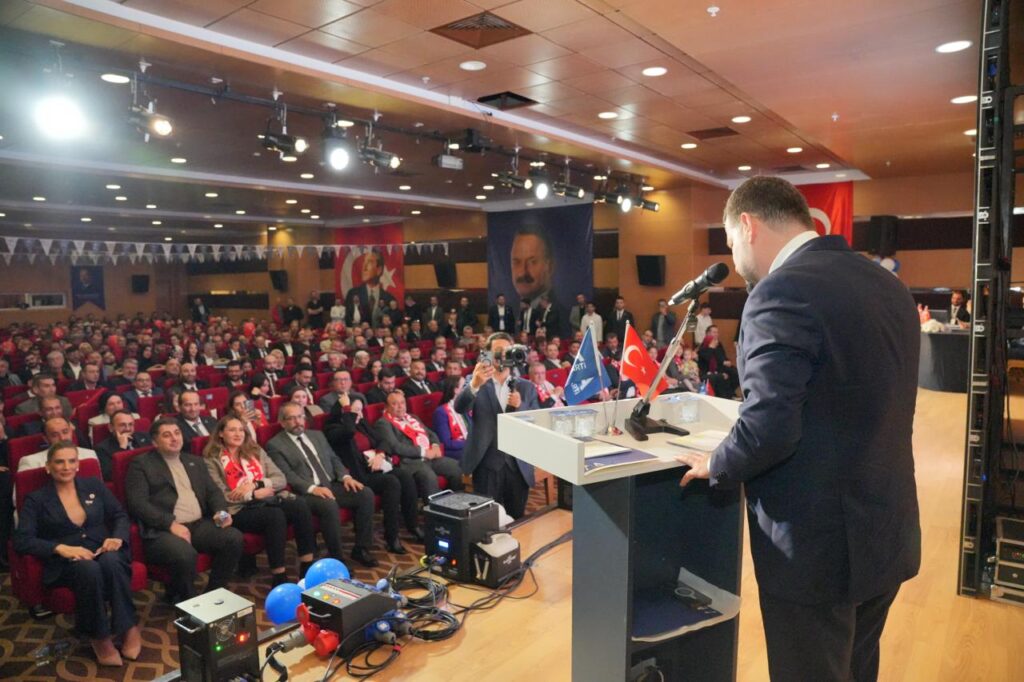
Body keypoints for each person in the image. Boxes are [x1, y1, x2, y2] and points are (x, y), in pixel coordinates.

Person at [674, 176, 921, 682]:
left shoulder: (779, 291)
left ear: (748, 225)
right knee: (857, 669)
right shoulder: (886, 283)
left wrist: (717, 461)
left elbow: (769, 425)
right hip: (885, 529)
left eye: (731, 242)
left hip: (817, 550)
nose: (735, 258)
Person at [14, 442, 142, 666]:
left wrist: (117, 537)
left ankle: (128, 627)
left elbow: (120, 515)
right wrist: (61, 548)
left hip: (103, 549)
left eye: (71, 461)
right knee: (88, 569)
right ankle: (99, 636)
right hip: (66, 562)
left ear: (78, 464)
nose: (66, 467)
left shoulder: (93, 485)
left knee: (112, 561)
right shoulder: (37, 499)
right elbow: (22, 540)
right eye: (59, 462)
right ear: (48, 467)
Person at [125, 418, 244, 602]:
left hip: (198, 525)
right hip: (162, 530)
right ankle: (190, 603)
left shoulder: (194, 461)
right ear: (155, 442)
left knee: (233, 538)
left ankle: (213, 594)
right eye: (167, 435)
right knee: (185, 554)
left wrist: (221, 512)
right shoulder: (141, 464)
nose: (174, 438)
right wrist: (170, 524)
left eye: (177, 433)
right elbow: (137, 503)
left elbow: (213, 492)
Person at [203, 417, 317, 586]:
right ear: (220, 433)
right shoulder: (211, 459)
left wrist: (257, 484)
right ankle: (279, 575)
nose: (238, 434)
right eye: (232, 430)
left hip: (266, 498)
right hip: (237, 509)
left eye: (241, 430)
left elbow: (280, 479)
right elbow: (219, 494)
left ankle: (307, 567)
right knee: (274, 516)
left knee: (299, 504)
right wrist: (253, 495)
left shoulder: (255, 451)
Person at [265, 402, 379, 567]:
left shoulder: (317, 435)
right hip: (305, 493)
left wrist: (346, 477)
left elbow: (334, 459)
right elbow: (287, 475)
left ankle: (361, 549)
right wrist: (313, 489)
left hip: (330, 484)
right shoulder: (275, 445)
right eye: (292, 418)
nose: (298, 422)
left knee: (365, 494)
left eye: (300, 417)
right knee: (329, 505)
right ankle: (337, 559)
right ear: (282, 422)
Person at [454, 332, 540, 519]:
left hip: (518, 465)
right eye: (498, 351)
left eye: (507, 350)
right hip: (486, 464)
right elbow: (459, 407)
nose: (502, 355)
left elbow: (536, 422)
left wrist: (520, 406)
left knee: (517, 519)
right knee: (487, 521)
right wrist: (474, 385)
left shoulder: (526, 387)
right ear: (488, 354)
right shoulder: (476, 380)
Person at [324, 398, 420, 552]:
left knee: (405, 475)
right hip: (358, 475)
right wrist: (348, 409)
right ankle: (392, 536)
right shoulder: (333, 429)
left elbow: (383, 441)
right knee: (391, 482)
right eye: (356, 411)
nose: (360, 415)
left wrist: (380, 455)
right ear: (344, 412)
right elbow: (348, 432)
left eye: (361, 410)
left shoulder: (361, 424)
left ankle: (412, 525)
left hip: (375, 466)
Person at [373, 391, 463, 502]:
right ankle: (435, 510)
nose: (400, 406)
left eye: (402, 403)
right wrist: (423, 452)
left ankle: (458, 503)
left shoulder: (412, 417)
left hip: (430, 457)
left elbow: (431, 434)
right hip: (411, 462)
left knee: (456, 468)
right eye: (395, 404)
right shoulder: (383, 423)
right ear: (387, 407)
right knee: (429, 477)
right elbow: (395, 446)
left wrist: (435, 446)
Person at [19, 416, 100, 473]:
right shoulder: (31, 463)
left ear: (71, 432)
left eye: (65, 432)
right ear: (46, 438)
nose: (62, 438)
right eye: (55, 435)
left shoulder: (89, 454)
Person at [95, 410, 153, 481]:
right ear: (111, 427)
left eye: (130, 424)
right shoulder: (102, 448)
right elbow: (110, 475)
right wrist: (122, 448)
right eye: (122, 425)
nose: (127, 429)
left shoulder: (146, 437)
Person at [345, 250, 396, 326]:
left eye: (369, 262)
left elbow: (392, 322)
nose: (364, 267)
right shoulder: (352, 294)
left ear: (379, 270)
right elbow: (347, 318)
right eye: (364, 262)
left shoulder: (389, 298)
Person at [511, 225, 554, 306]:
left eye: (532, 262)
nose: (522, 272)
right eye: (517, 262)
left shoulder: (559, 311)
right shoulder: (510, 308)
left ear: (549, 267)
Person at [432, 376, 469, 462]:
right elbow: (446, 443)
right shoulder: (441, 412)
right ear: (456, 390)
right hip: (454, 450)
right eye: (465, 386)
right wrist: (469, 442)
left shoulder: (466, 405)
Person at [697, 326, 739, 398]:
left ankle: (730, 393)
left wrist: (727, 361)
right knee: (722, 376)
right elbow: (707, 360)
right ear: (708, 333)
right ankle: (725, 395)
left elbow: (723, 356)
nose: (716, 334)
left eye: (717, 332)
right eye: (714, 332)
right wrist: (711, 348)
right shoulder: (703, 346)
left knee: (735, 372)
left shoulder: (719, 344)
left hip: (720, 366)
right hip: (709, 370)